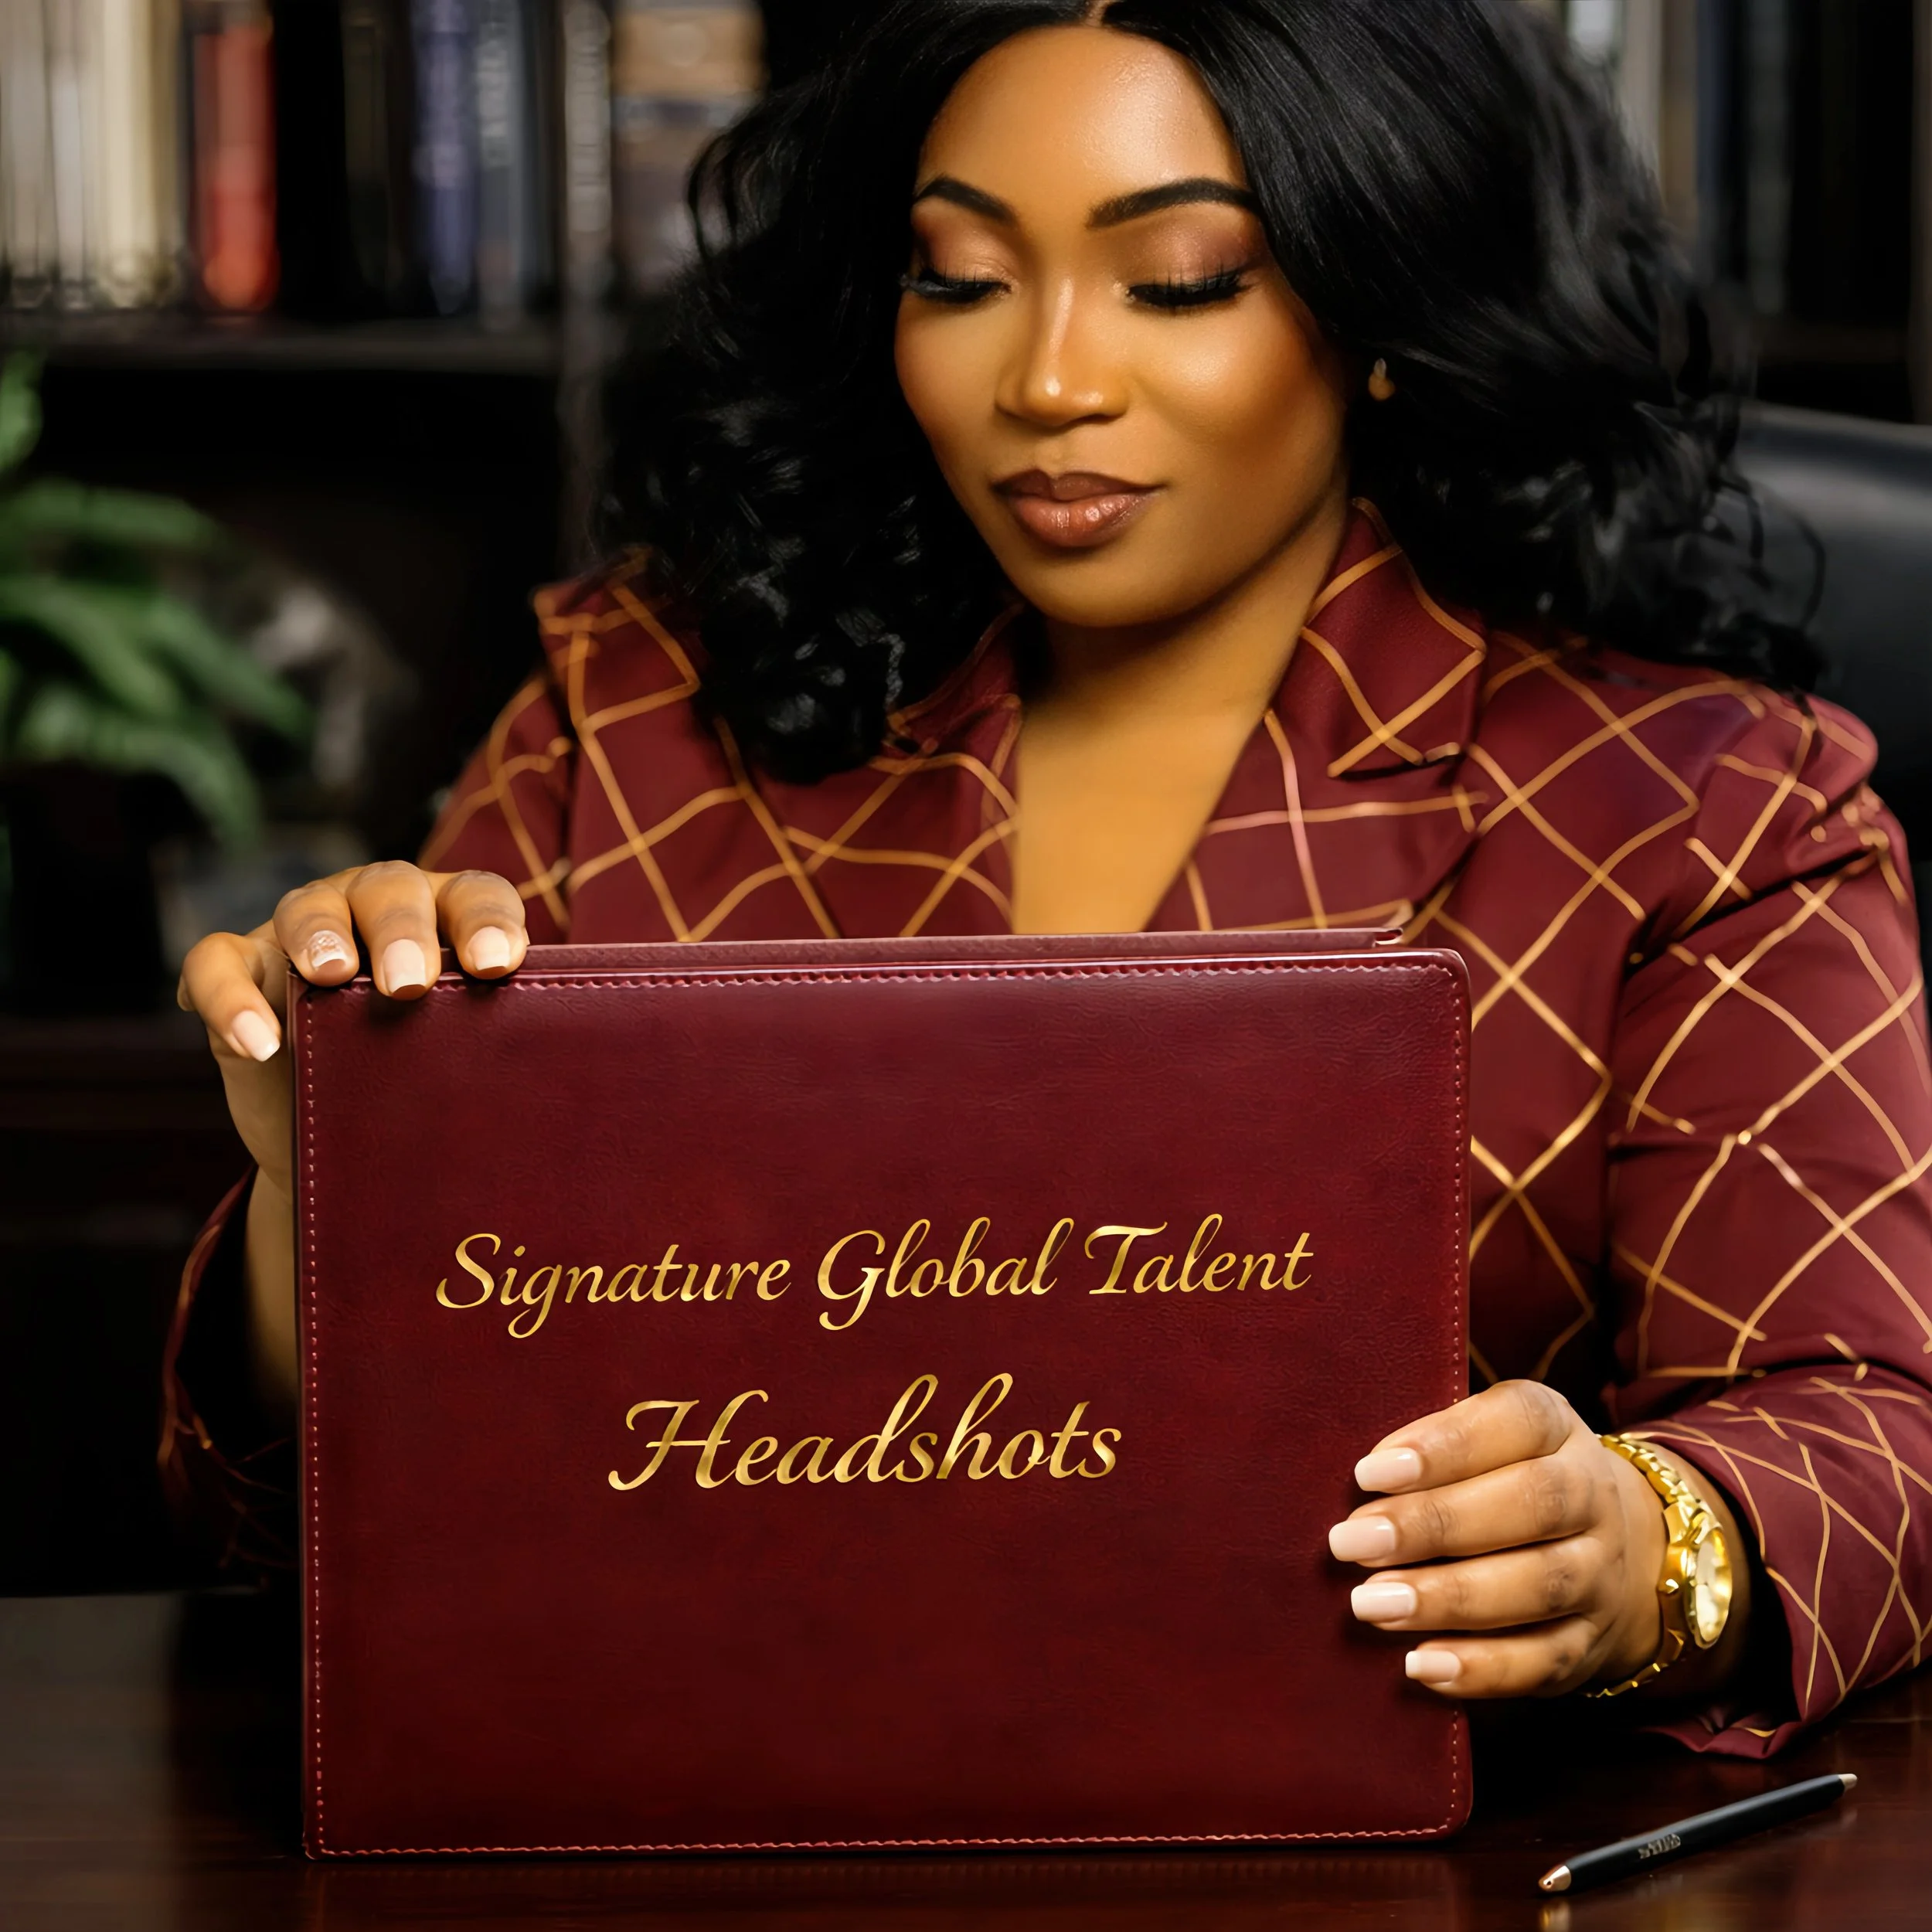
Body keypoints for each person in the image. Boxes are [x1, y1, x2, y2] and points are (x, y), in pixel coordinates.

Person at [168, 0, 1932, 1760]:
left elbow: (1867, 1429)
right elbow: (315, 1525)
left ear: (1380, 312)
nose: (1047, 384)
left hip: (1374, 1822)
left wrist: (1645, 1552)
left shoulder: (1704, 802)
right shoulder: (631, 713)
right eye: (959, 279)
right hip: (707, 1793)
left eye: (1176, 281)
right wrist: (321, 1188)